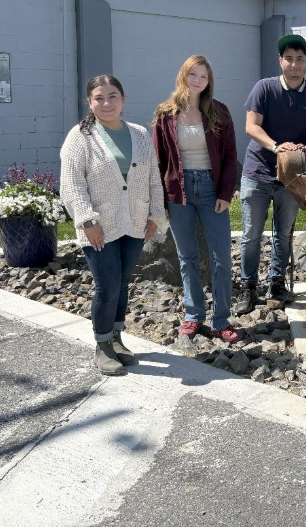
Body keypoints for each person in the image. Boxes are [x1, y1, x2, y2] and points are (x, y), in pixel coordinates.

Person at [60, 75, 164, 376]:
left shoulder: (140, 134)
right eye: (99, 98)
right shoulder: (81, 137)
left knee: (121, 283)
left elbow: (153, 178)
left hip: (134, 222)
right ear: (89, 103)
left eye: (113, 96)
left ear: (124, 99)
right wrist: (87, 220)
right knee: (106, 286)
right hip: (99, 227)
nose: (106, 103)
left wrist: (155, 216)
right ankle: (102, 344)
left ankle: (117, 338)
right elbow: (71, 185)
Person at [239, 34, 306, 311]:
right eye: (289, 59)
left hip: (292, 175)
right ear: (281, 61)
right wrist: (277, 147)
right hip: (257, 172)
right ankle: (248, 287)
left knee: (283, 233)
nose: (295, 64)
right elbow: (251, 126)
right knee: (251, 234)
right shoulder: (264, 88)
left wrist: (303, 151)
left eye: (300, 59)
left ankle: (276, 284)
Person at [153, 55, 241, 347]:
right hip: (178, 190)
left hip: (210, 189)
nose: (197, 81)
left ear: (209, 81)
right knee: (187, 256)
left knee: (221, 257)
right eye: (193, 75)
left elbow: (229, 157)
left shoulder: (219, 112)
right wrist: (160, 201)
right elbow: (158, 159)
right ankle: (193, 315)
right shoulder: (166, 113)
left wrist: (226, 194)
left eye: (203, 77)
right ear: (183, 75)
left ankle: (221, 321)